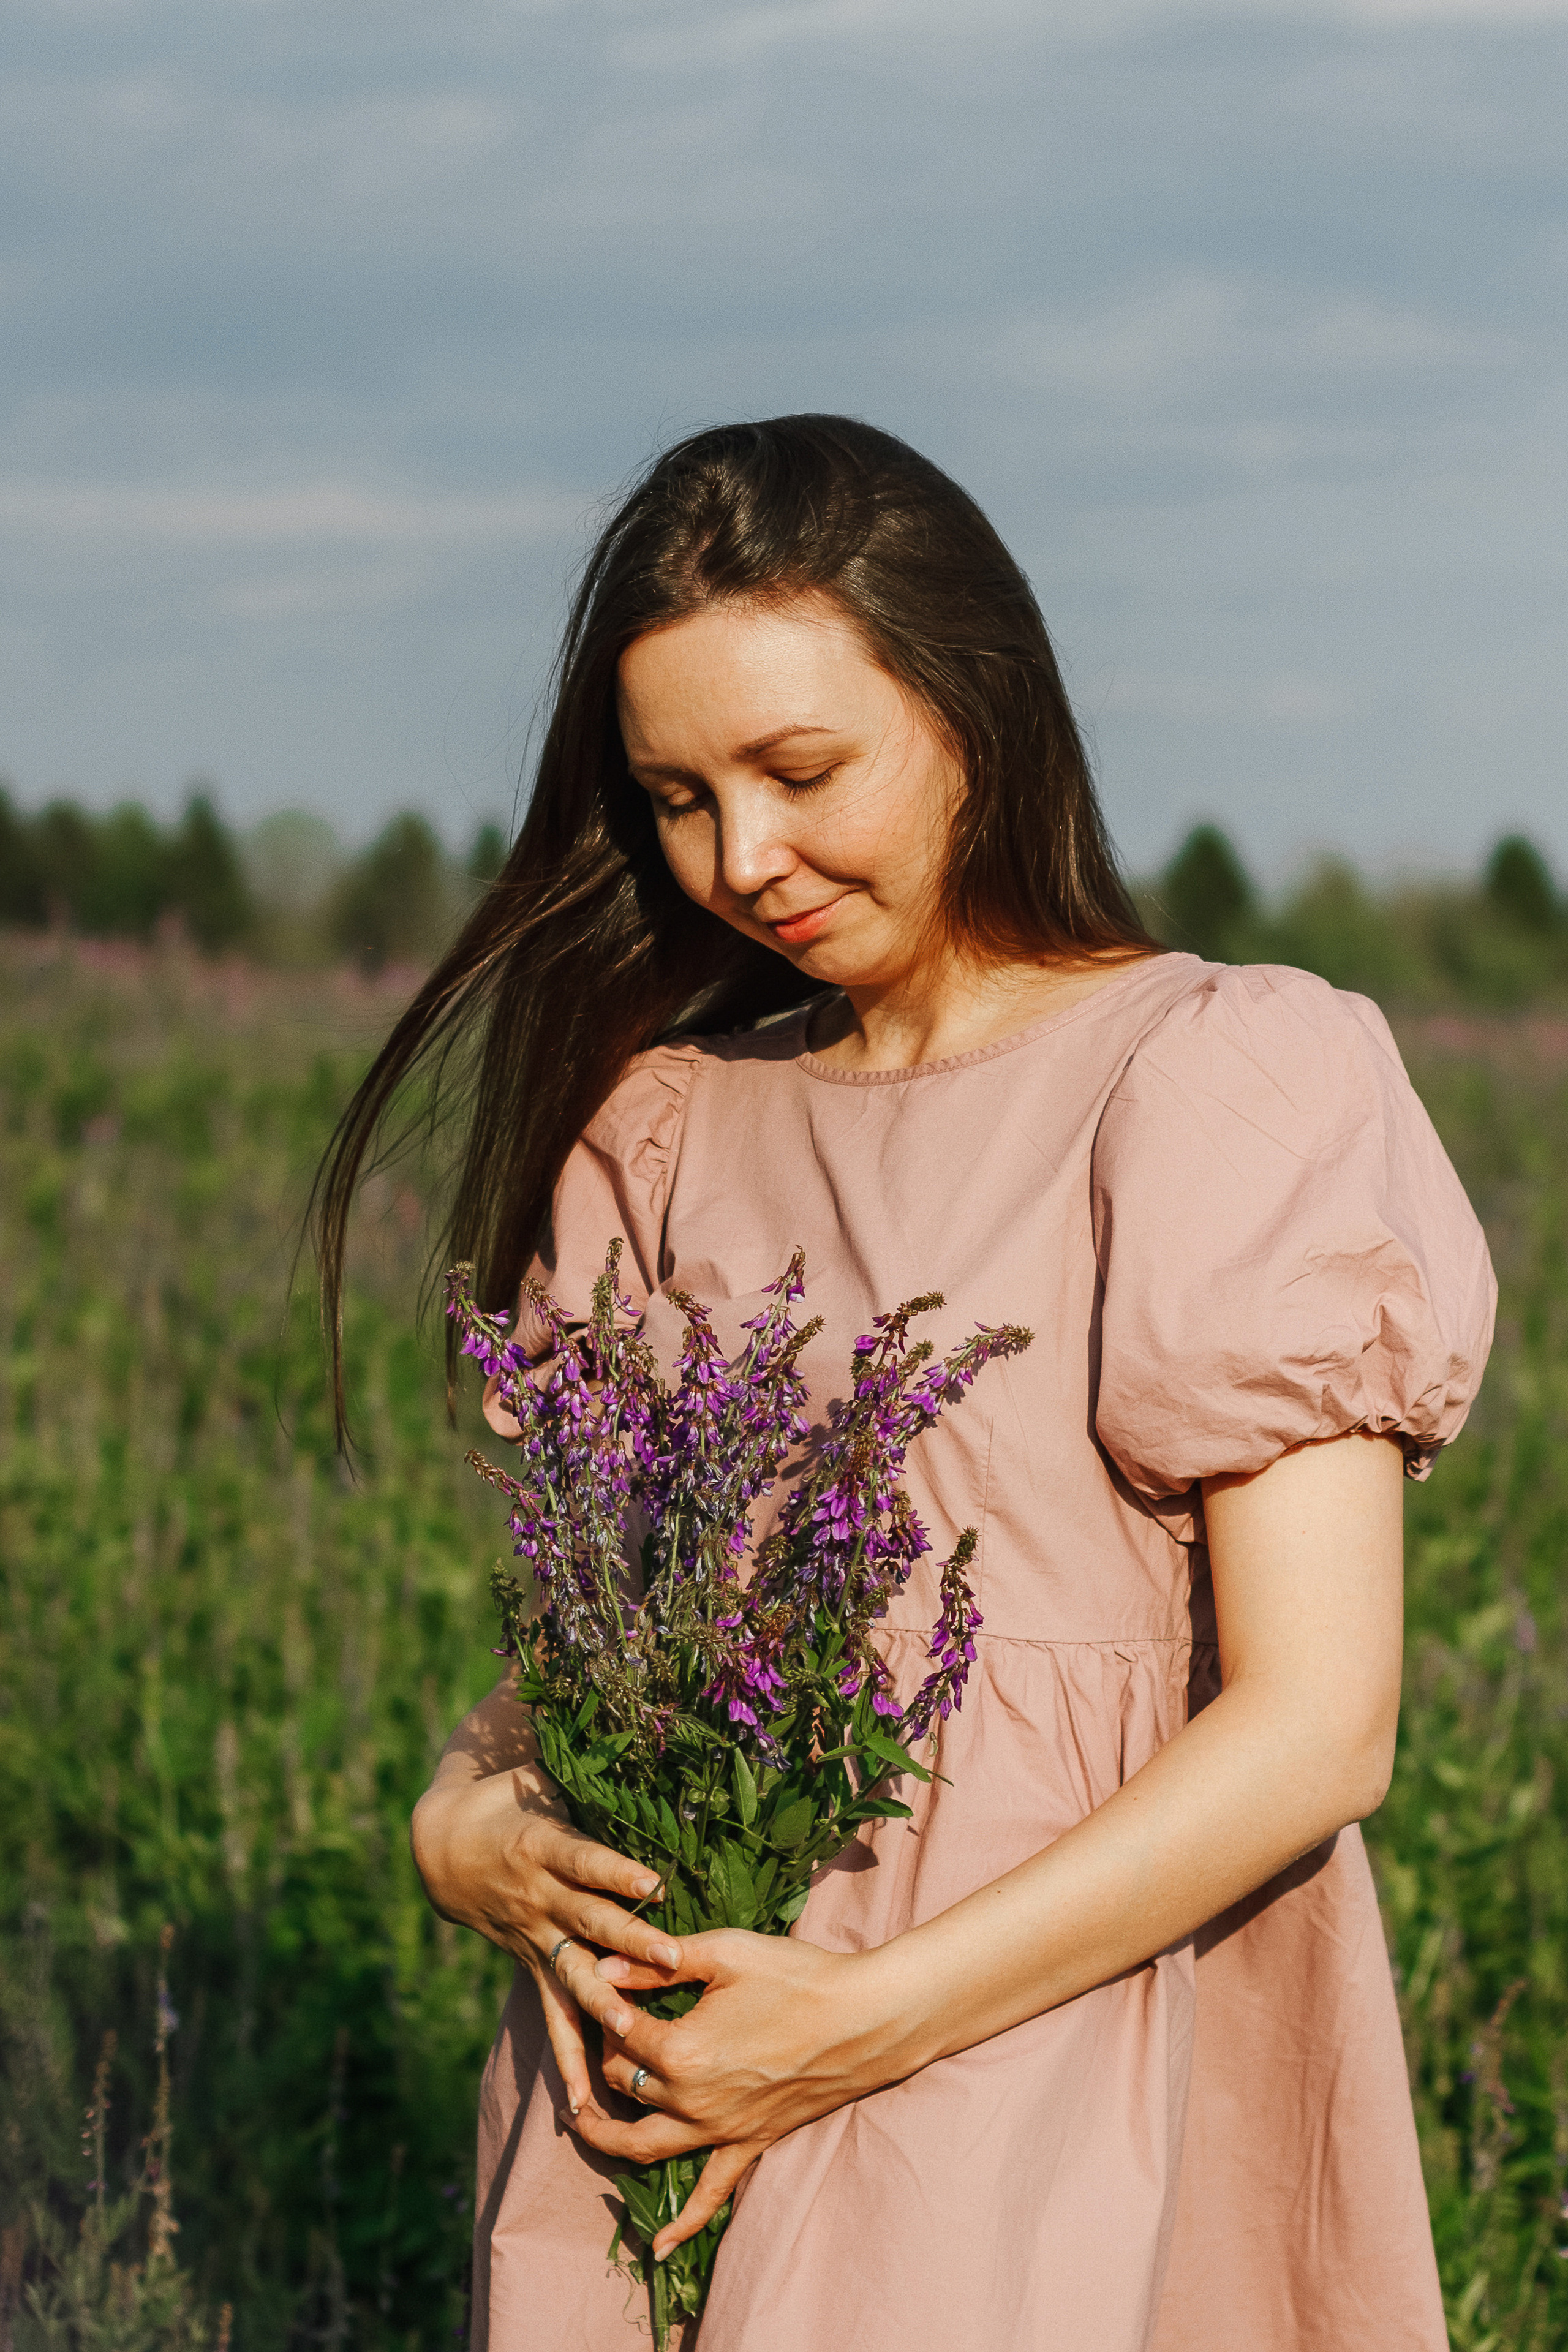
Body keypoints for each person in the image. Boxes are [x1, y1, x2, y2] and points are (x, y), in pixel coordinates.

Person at [314, 416, 1495, 2351]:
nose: (742, 860)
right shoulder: (671, 1126)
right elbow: (615, 1651)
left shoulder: (1215, 1075)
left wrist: (851, 2028)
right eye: (677, 796)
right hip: (677, 2084)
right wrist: (463, 1818)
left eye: (800, 771)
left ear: (981, 708)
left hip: (1052, 2051)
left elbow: (1321, 1724)